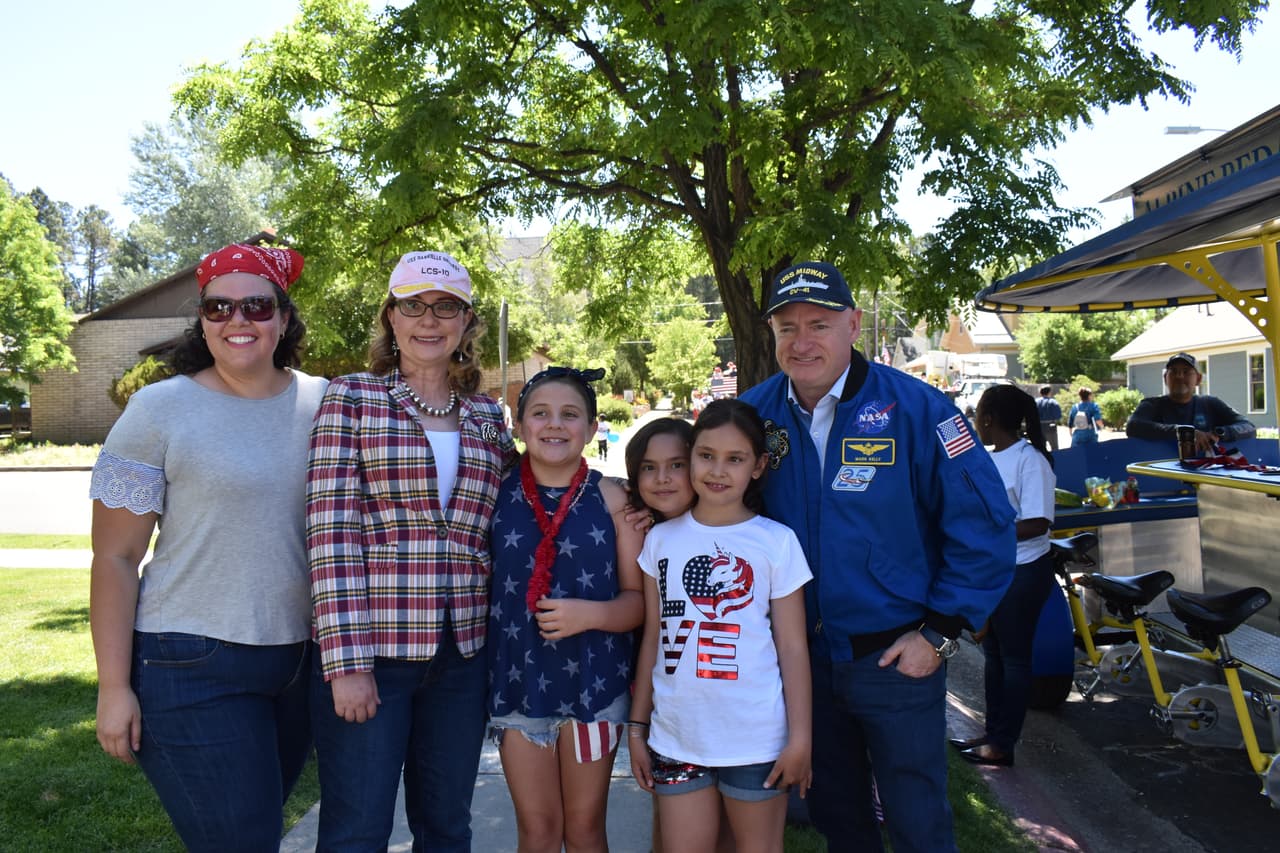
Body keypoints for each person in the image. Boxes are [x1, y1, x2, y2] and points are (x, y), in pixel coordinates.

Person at [738, 260, 1015, 853]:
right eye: (787, 328)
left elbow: (985, 527)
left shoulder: (918, 410)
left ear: (854, 325)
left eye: (819, 323)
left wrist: (940, 634)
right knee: (840, 820)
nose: (802, 341)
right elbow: (706, 498)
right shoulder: (753, 416)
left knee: (918, 821)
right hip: (800, 662)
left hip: (894, 658)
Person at [89, 243, 328, 851]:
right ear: (201, 319)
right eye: (219, 308)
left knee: (249, 832)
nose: (237, 320)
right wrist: (114, 687)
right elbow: (115, 558)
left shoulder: (327, 404)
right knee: (243, 840)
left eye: (256, 305)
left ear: (283, 317)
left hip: (300, 664)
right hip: (190, 661)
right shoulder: (160, 409)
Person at [305, 250, 516, 850]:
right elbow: (331, 534)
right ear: (391, 319)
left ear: (467, 322)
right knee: (357, 830)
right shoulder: (351, 400)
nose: (430, 320)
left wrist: (612, 497)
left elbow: (515, 509)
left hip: (463, 654)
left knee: (447, 826)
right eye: (413, 306)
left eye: (445, 306)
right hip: (374, 655)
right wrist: (346, 664)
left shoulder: (486, 416)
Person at [631, 399, 812, 853]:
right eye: (707, 455)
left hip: (756, 741)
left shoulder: (776, 542)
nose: (717, 470)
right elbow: (654, 637)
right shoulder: (660, 539)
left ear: (758, 466)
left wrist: (801, 738)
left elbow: (792, 647)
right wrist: (637, 728)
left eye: (735, 459)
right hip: (677, 737)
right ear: (691, 455)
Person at [487, 366, 645, 852]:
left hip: (592, 690)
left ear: (592, 429)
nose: (555, 424)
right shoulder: (494, 491)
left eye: (570, 414)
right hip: (519, 685)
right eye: (540, 413)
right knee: (537, 831)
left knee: (583, 830)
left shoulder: (615, 498)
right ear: (518, 425)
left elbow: (639, 603)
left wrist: (589, 615)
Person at [952, 385, 1056, 767]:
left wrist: (983, 534)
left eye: (978, 413)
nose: (975, 421)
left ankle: (1002, 744)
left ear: (989, 418)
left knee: (1013, 659)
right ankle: (991, 733)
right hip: (994, 572)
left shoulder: (1031, 461)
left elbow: (1037, 523)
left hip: (1024, 572)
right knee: (993, 655)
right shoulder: (988, 458)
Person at [1125, 352, 1256, 454]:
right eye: (1174, 372)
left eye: (1186, 371)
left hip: (1206, 478)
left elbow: (1249, 427)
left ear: (1198, 379)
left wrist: (1220, 433)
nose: (1179, 376)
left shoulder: (1210, 404)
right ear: (1165, 378)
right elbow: (1133, 426)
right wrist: (1184, 433)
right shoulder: (1151, 405)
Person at [1036, 385, 1062, 451]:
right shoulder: (1053, 402)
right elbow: (1058, 416)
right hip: (1050, 427)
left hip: (1038, 427)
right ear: (1049, 392)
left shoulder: (1035, 402)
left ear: (1040, 392)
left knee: (1041, 449)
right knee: (1054, 448)